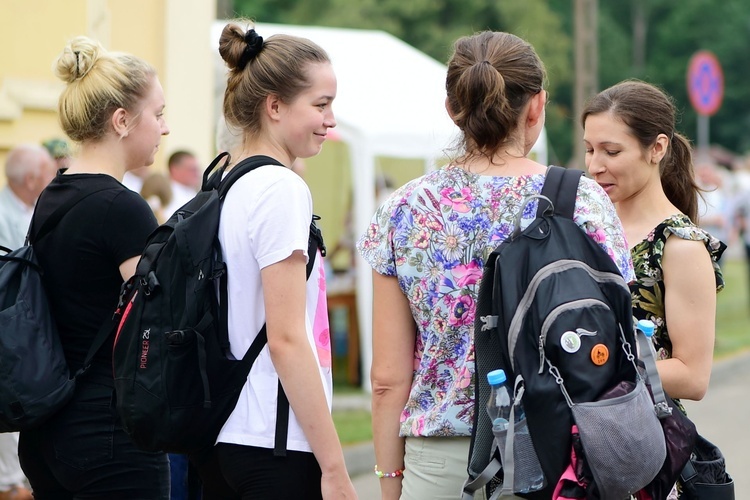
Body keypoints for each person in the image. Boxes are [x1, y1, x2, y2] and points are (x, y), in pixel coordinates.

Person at [356, 31, 633, 500]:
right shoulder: (580, 200)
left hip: (438, 460)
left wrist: (390, 482)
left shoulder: (403, 208)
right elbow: (614, 329)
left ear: (452, 109)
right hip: (558, 455)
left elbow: (387, 379)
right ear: (536, 106)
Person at [192, 22, 356, 500]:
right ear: (276, 106)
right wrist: (334, 467)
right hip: (275, 441)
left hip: (226, 431)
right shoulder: (282, 189)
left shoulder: (226, 183)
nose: (331, 120)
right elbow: (286, 338)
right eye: (321, 105)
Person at [17, 36, 170, 499]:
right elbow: (154, 324)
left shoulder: (54, 195)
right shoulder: (121, 208)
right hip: (109, 433)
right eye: (158, 114)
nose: (165, 128)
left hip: (49, 428)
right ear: (122, 120)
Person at [582, 80, 725, 405]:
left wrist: (594, 365)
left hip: (638, 440)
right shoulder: (585, 223)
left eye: (612, 151)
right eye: (590, 149)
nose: (594, 166)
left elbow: (692, 376)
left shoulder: (680, 245)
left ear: (657, 148)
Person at [0, 144, 56, 249]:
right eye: (49, 174)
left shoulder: (38, 205)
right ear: (30, 180)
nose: (54, 179)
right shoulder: (2, 219)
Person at [164, 150, 201, 218]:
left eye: (198, 169)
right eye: (192, 169)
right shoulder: (167, 194)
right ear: (174, 169)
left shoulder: (193, 192)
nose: (197, 174)